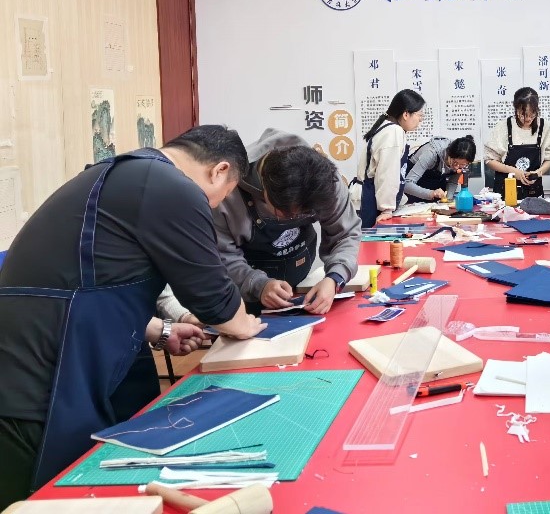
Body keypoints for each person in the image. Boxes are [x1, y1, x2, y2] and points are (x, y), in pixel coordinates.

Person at [0, 126, 264, 505]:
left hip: (45, 353)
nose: (212, 207)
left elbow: (89, 285)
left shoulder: (127, 174)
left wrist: (159, 329)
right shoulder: (171, 187)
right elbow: (215, 301)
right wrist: (246, 324)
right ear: (219, 170)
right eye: (220, 198)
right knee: (41, 497)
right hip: (39, 384)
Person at [213, 128, 361, 315]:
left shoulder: (326, 182)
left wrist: (335, 278)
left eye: (303, 215)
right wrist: (258, 284)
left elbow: (345, 234)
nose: (292, 219)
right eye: (284, 214)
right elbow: (223, 255)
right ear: (265, 188)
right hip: (242, 281)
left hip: (298, 265)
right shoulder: (227, 190)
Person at [361, 89, 425, 226]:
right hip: (370, 203)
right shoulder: (394, 131)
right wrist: (386, 209)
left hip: (369, 198)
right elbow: (387, 173)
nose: (421, 119)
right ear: (406, 114)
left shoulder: (389, 127)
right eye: (419, 114)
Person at [484, 87, 550, 200]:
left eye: (532, 114)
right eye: (523, 114)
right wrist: (513, 171)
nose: (528, 119)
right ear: (516, 108)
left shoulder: (544, 127)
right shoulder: (503, 127)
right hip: (505, 192)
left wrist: (538, 172)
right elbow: (489, 160)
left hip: (533, 191)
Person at [403, 135, 477, 202]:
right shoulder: (431, 153)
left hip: (435, 189)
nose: (456, 167)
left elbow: (452, 182)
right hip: (415, 190)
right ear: (448, 153)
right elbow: (407, 184)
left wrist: (448, 199)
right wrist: (432, 193)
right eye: (454, 163)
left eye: (462, 165)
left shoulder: (463, 160)